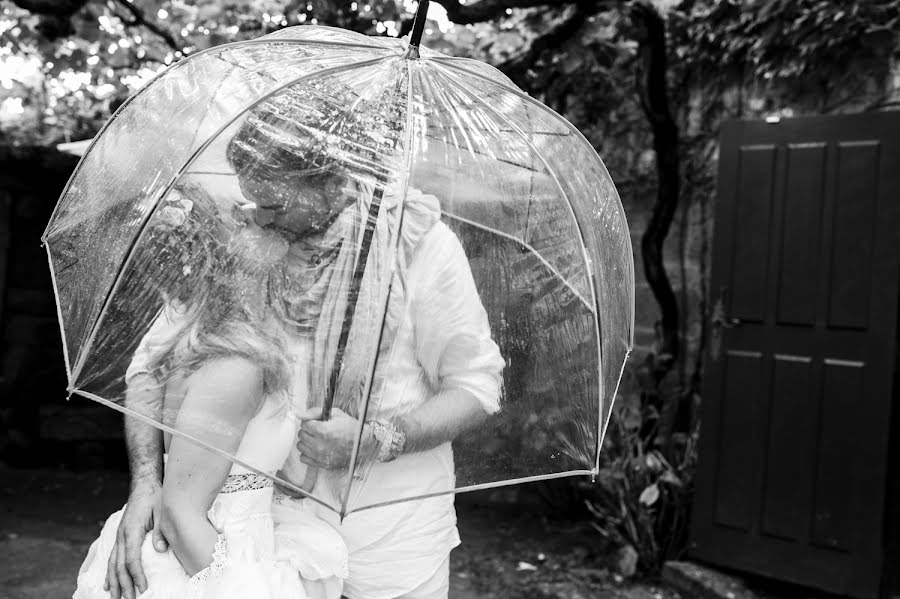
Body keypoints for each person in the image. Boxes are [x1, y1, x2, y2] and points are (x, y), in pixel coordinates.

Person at [104, 86, 505, 599]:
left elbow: (477, 386)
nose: (259, 218)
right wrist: (147, 484)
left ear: (333, 180)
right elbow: (149, 367)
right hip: (260, 532)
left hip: (388, 533)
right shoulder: (242, 249)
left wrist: (378, 439)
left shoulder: (421, 246)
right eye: (253, 201)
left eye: (274, 204)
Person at [73, 185, 348, 599]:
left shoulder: (205, 337)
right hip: (210, 561)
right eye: (239, 218)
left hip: (232, 544)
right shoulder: (235, 366)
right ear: (227, 256)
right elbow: (181, 515)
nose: (255, 216)